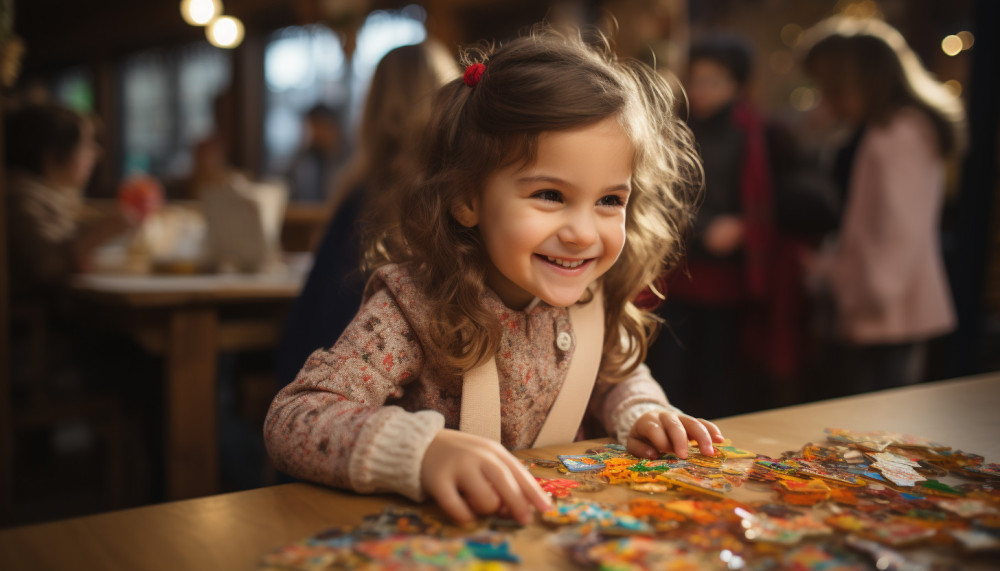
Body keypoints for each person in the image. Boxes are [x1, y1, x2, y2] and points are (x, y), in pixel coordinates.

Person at [264, 27, 722, 526]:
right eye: (550, 195)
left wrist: (642, 412)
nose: (583, 233)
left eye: (610, 200)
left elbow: (614, 377)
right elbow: (293, 419)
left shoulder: (591, 297)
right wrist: (422, 452)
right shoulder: (412, 306)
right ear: (467, 198)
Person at [274, 41, 458, 387]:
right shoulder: (456, 199)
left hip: (320, 377)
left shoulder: (359, 195)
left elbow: (311, 325)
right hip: (405, 384)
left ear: (374, 107)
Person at [800, 17, 966, 392]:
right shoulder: (883, 126)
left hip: (884, 308)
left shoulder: (899, 132)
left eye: (828, 86)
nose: (825, 97)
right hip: (879, 301)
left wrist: (857, 291)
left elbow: (899, 229)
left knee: (874, 418)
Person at [645, 35, 775, 418]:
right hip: (677, 269)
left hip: (730, 272)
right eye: (696, 79)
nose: (701, 90)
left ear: (736, 85)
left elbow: (764, 199)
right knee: (670, 368)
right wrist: (704, 229)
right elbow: (659, 196)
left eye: (714, 81)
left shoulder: (754, 132)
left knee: (718, 369)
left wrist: (744, 226)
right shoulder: (673, 128)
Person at [284, 103, 348, 202]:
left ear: (333, 128)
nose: (315, 135)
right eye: (312, 129)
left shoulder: (349, 163)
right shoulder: (300, 163)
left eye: (321, 128)